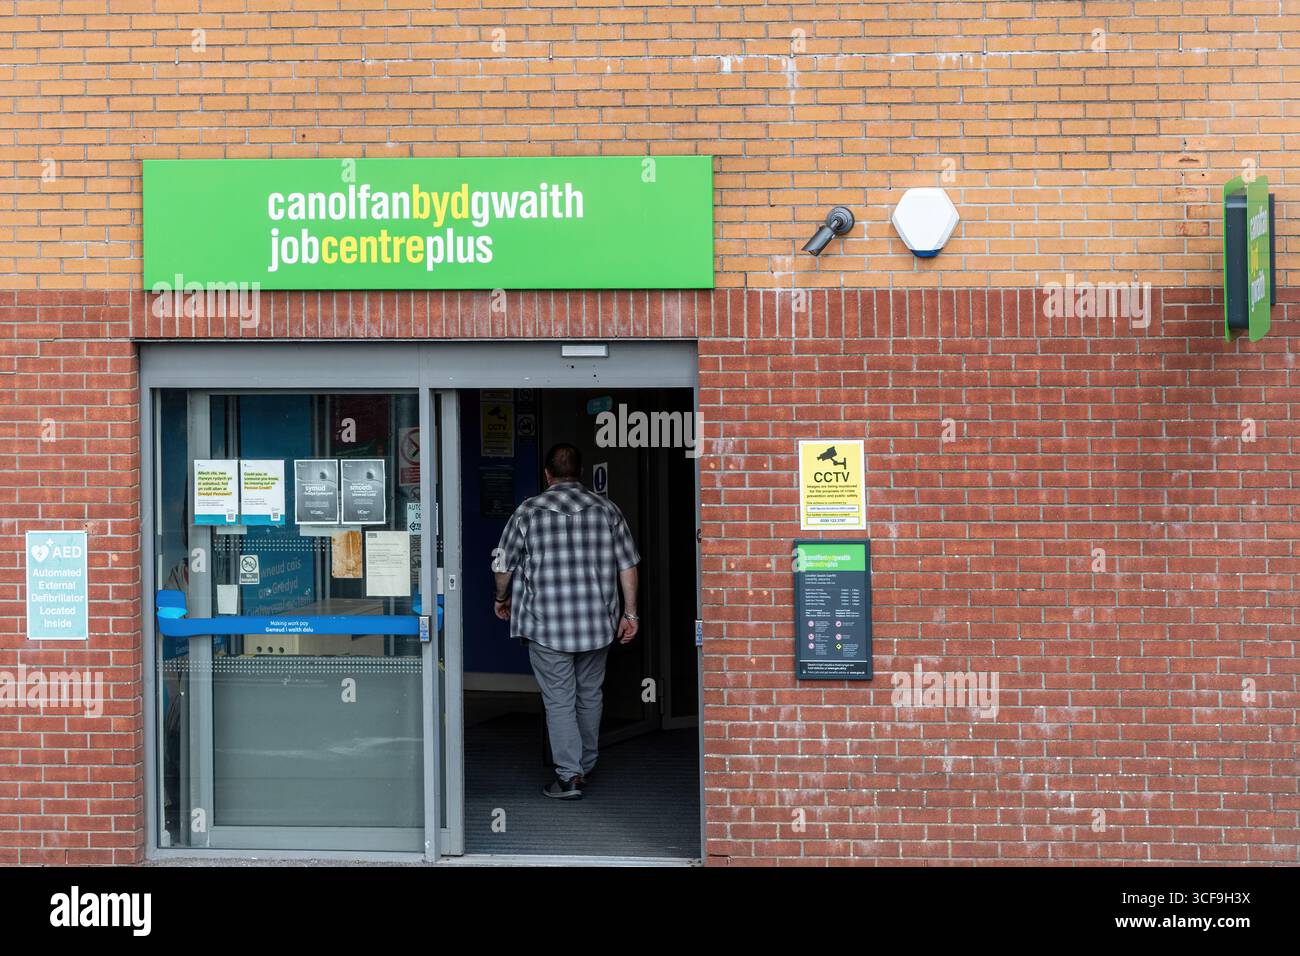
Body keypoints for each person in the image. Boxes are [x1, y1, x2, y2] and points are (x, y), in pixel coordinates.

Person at [492, 442, 640, 800]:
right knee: (589, 696)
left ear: (547, 474)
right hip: (596, 624)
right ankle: (585, 765)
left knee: (559, 700)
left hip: (547, 625)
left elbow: (502, 565)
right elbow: (628, 566)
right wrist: (630, 613)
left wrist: (501, 598)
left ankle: (570, 776)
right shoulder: (607, 510)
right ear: (581, 473)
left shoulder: (528, 512)